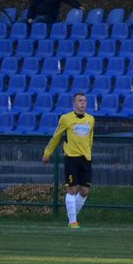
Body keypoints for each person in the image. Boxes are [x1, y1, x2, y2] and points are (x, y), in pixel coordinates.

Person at [42, 93, 95, 228]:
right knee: (72, 188)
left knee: (84, 191)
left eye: (84, 101)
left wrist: (89, 152)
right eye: (80, 100)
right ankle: (73, 222)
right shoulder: (66, 118)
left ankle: (71, 214)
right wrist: (47, 153)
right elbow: (56, 136)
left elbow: (90, 138)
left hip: (86, 158)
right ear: (74, 103)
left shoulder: (91, 119)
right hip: (71, 158)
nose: (82, 103)